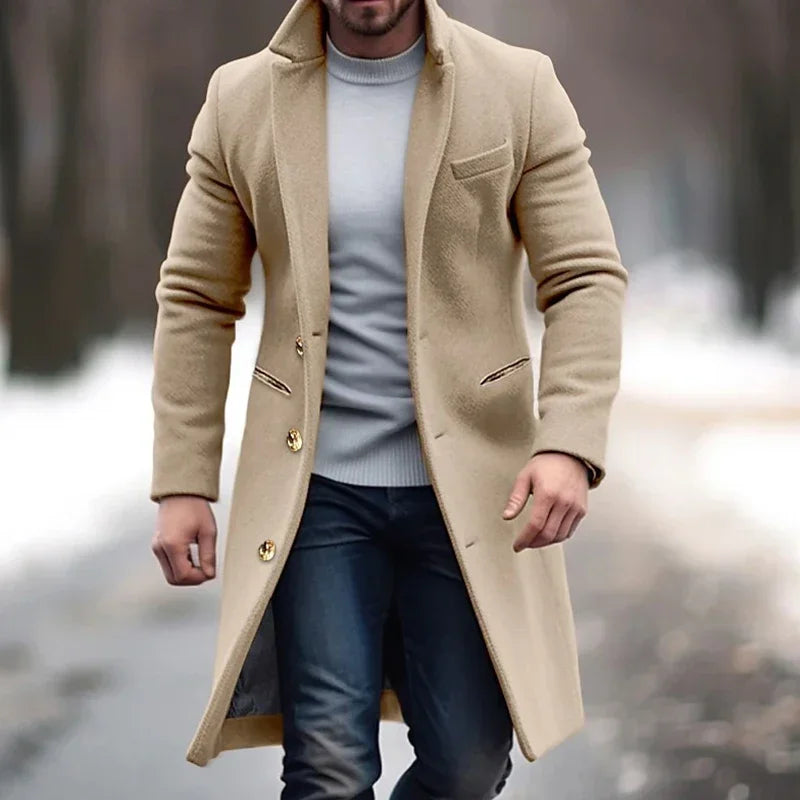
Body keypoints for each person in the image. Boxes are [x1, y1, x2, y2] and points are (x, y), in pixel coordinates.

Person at [149, 0, 628, 797]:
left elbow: (584, 277)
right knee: (329, 770)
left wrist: (568, 441)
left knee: (468, 765)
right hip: (318, 495)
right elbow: (197, 296)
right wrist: (183, 480)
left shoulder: (518, 88)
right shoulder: (241, 100)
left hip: (474, 497)